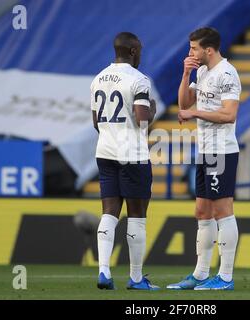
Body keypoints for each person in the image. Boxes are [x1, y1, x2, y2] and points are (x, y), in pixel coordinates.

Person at [167, 27, 241, 290]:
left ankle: (226, 276)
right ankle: (200, 274)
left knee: (222, 210)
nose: (190, 52)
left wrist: (195, 113)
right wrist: (186, 73)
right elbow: (184, 105)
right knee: (202, 211)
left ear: (208, 50)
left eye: (194, 48)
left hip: (222, 150)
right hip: (205, 150)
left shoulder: (227, 73)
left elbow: (229, 114)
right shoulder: (201, 71)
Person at [90, 32, 158, 290]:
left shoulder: (97, 79)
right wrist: (152, 109)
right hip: (132, 154)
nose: (140, 55)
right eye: (139, 50)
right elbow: (142, 119)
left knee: (109, 212)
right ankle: (137, 279)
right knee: (137, 216)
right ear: (132, 51)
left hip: (105, 151)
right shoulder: (138, 80)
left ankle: (104, 272)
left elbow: (96, 122)